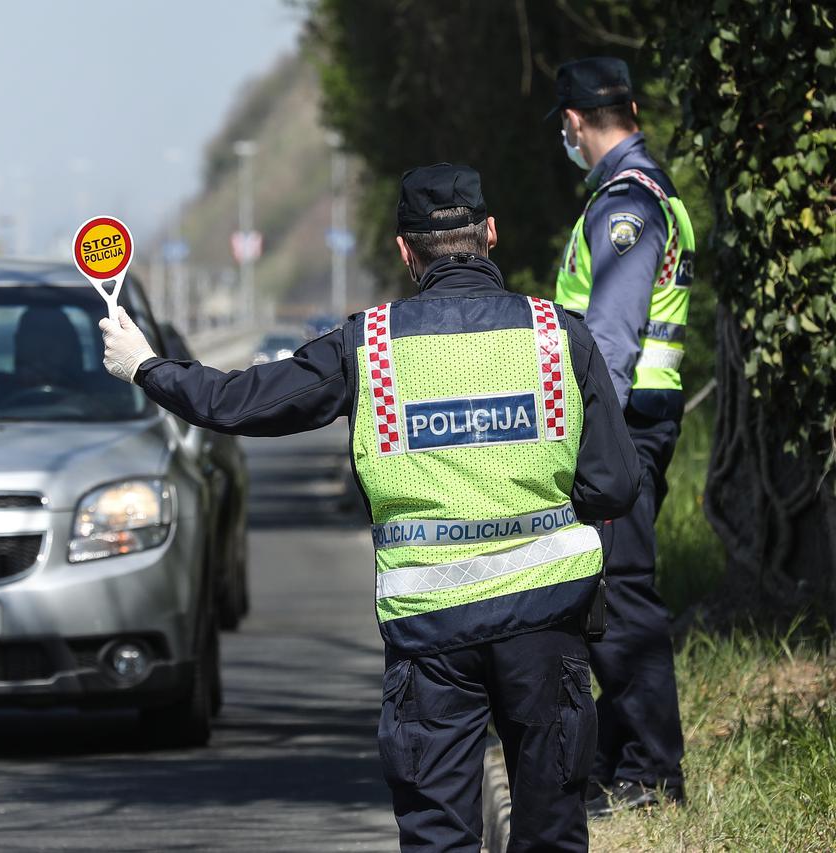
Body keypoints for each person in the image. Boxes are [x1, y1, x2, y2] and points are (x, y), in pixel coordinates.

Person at [99, 163, 641, 852]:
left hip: (431, 636)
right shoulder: (557, 333)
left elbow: (240, 402)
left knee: (438, 835)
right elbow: (615, 484)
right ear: (492, 234)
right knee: (553, 830)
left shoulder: (370, 345)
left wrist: (147, 366)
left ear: (404, 250)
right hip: (547, 624)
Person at [549, 57, 695, 817]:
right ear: (631, 107)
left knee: (623, 599)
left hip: (621, 426)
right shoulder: (641, 193)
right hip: (635, 424)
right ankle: (615, 762)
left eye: (565, 131)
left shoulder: (625, 206)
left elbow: (609, 338)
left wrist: (581, 437)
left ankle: (651, 774)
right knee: (603, 594)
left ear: (575, 124)